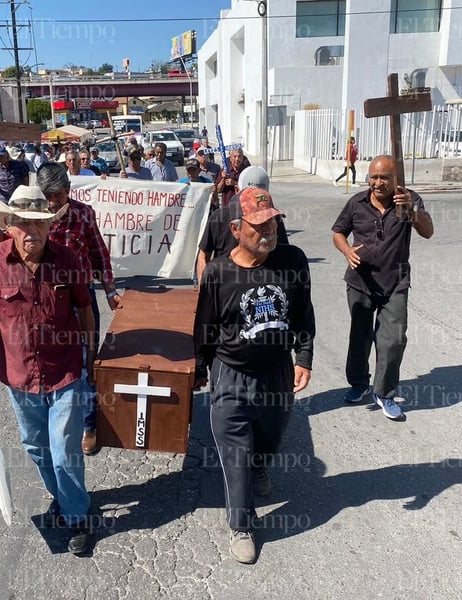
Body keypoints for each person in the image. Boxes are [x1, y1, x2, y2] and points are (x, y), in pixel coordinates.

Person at [0, 185, 95, 555]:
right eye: (24, 224)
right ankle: (63, 496)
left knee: (63, 450)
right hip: (20, 376)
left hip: (66, 370)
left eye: (40, 225)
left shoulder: (68, 259)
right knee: (37, 448)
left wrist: (93, 357)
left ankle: (76, 517)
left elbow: (85, 309)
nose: (32, 232)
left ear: (50, 227)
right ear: (9, 225)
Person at [193, 187, 315, 564]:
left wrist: (304, 356)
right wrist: (201, 369)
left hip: (277, 373)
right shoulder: (218, 273)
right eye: (259, 226)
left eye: (273, 222)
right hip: (231, 376)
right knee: (236, 454)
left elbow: (303, 314)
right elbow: (205, 328)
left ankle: (261, 465)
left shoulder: (293, 260)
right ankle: (241, 524)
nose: (269, 232)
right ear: (235, 228)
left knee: (269, 437)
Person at [331, 155, 434, 420]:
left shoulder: (408, 199)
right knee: (360, 337)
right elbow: (338, 232)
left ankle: (384, 393)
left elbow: (428, 231)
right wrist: (346, 251)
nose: (377, 183)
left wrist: (412, 210)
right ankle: (359, 384)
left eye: (383, 178)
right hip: (361, 282)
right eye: (373, 177)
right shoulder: (357, 203)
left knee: (393, 340)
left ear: (395, 179)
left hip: (395, 283)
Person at [36, 162, 123, 455]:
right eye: (47, 196)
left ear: (68, 191)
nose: (51, 203)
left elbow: (99, 254)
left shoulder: (84, 215)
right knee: (51, 361)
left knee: (87, 361)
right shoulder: (32, 217)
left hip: (82, 299)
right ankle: (58, 420)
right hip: (46, 303)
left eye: (57, 196)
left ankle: (89, 424)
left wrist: (110, 290)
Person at [196, 166, 289, 282]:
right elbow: (203, 254)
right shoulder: (218, 217)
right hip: (225, 287)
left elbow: (285, 256)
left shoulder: (274, 219)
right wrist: (204, 287)